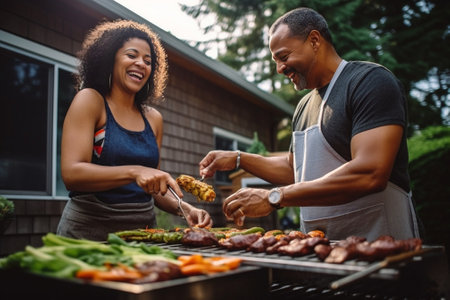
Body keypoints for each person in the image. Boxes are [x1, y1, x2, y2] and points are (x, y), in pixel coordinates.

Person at [199, 8, 420, 241]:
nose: (280, 69)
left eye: (284, 57)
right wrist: (238, 158)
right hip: (320, 251)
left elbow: (370, 172)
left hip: (381, 244)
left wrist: (274, 197)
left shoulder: (369, 82)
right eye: (275, 61)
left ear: (315, 40)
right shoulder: (303, 106)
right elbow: (295, 170)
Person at [57, 20, 212, 241]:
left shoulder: (153, 118)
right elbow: (72, 174)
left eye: (148, 61)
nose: (141, 63)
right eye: (132, 55)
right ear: (110, 59)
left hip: (144, 235)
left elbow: (154, 187)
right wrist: (135, 171)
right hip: (89, 233)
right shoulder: (90, 101)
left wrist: (185, 209)